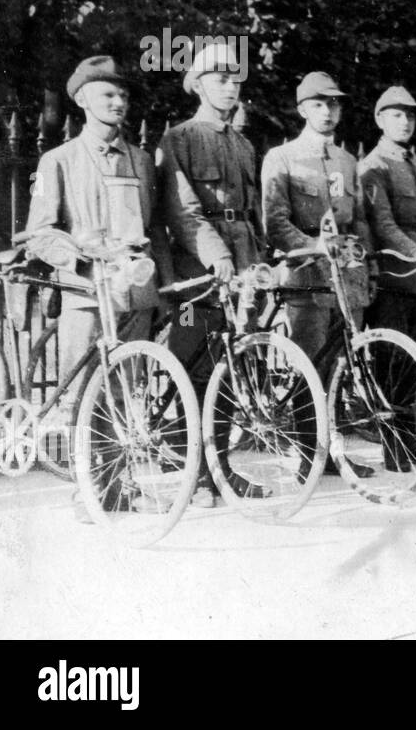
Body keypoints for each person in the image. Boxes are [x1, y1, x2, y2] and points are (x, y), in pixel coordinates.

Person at [26, 56, 172, 519]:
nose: (118, 102)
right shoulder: (58, 161)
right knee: (86, 393)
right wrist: (79, 259)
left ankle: (123, 485)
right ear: (83, 99)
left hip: (135, 295)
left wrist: (165, 292)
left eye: (123, 95)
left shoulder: (142, 160)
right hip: (86, 294)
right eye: (107, 94)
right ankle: (88, 491)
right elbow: (40, 233)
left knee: (130, 391)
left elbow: (157, 229)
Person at [159, 42, 268, 505]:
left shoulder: (242, 142)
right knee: (195, 368)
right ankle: (196, 474)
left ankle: (220, 469)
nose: (230, 86)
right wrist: (215, 255)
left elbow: (253, 211)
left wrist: (258, 260)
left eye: (235, 78)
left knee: (230, 367)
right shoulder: (178, 138)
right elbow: (183, 212)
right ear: (198, 84)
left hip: (241, 266)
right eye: (220, 78)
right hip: (199, 272)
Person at [261, 71, 373, 478]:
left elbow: (357, 220)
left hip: (344, 277)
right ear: (303, 109)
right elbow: (275, 221)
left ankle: (332, 452)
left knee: (340, 367)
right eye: (319, 104)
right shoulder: (283, 157)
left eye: (334, 104)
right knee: (310, 365)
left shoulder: (347, 161)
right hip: (306, 275)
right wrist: (311, 247)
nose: (327, 112)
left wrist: (363, 265)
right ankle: (310, 454)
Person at [358, 86, 416, 472]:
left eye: (409, 115)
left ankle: (410, 441)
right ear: (380, 120)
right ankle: (394, 449)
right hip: (394, 275)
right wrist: (415, 253)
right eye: (396, 115)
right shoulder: (374, 166)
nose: (405, 121)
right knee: (393, 362)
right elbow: (384, 225)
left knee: (415, 362)